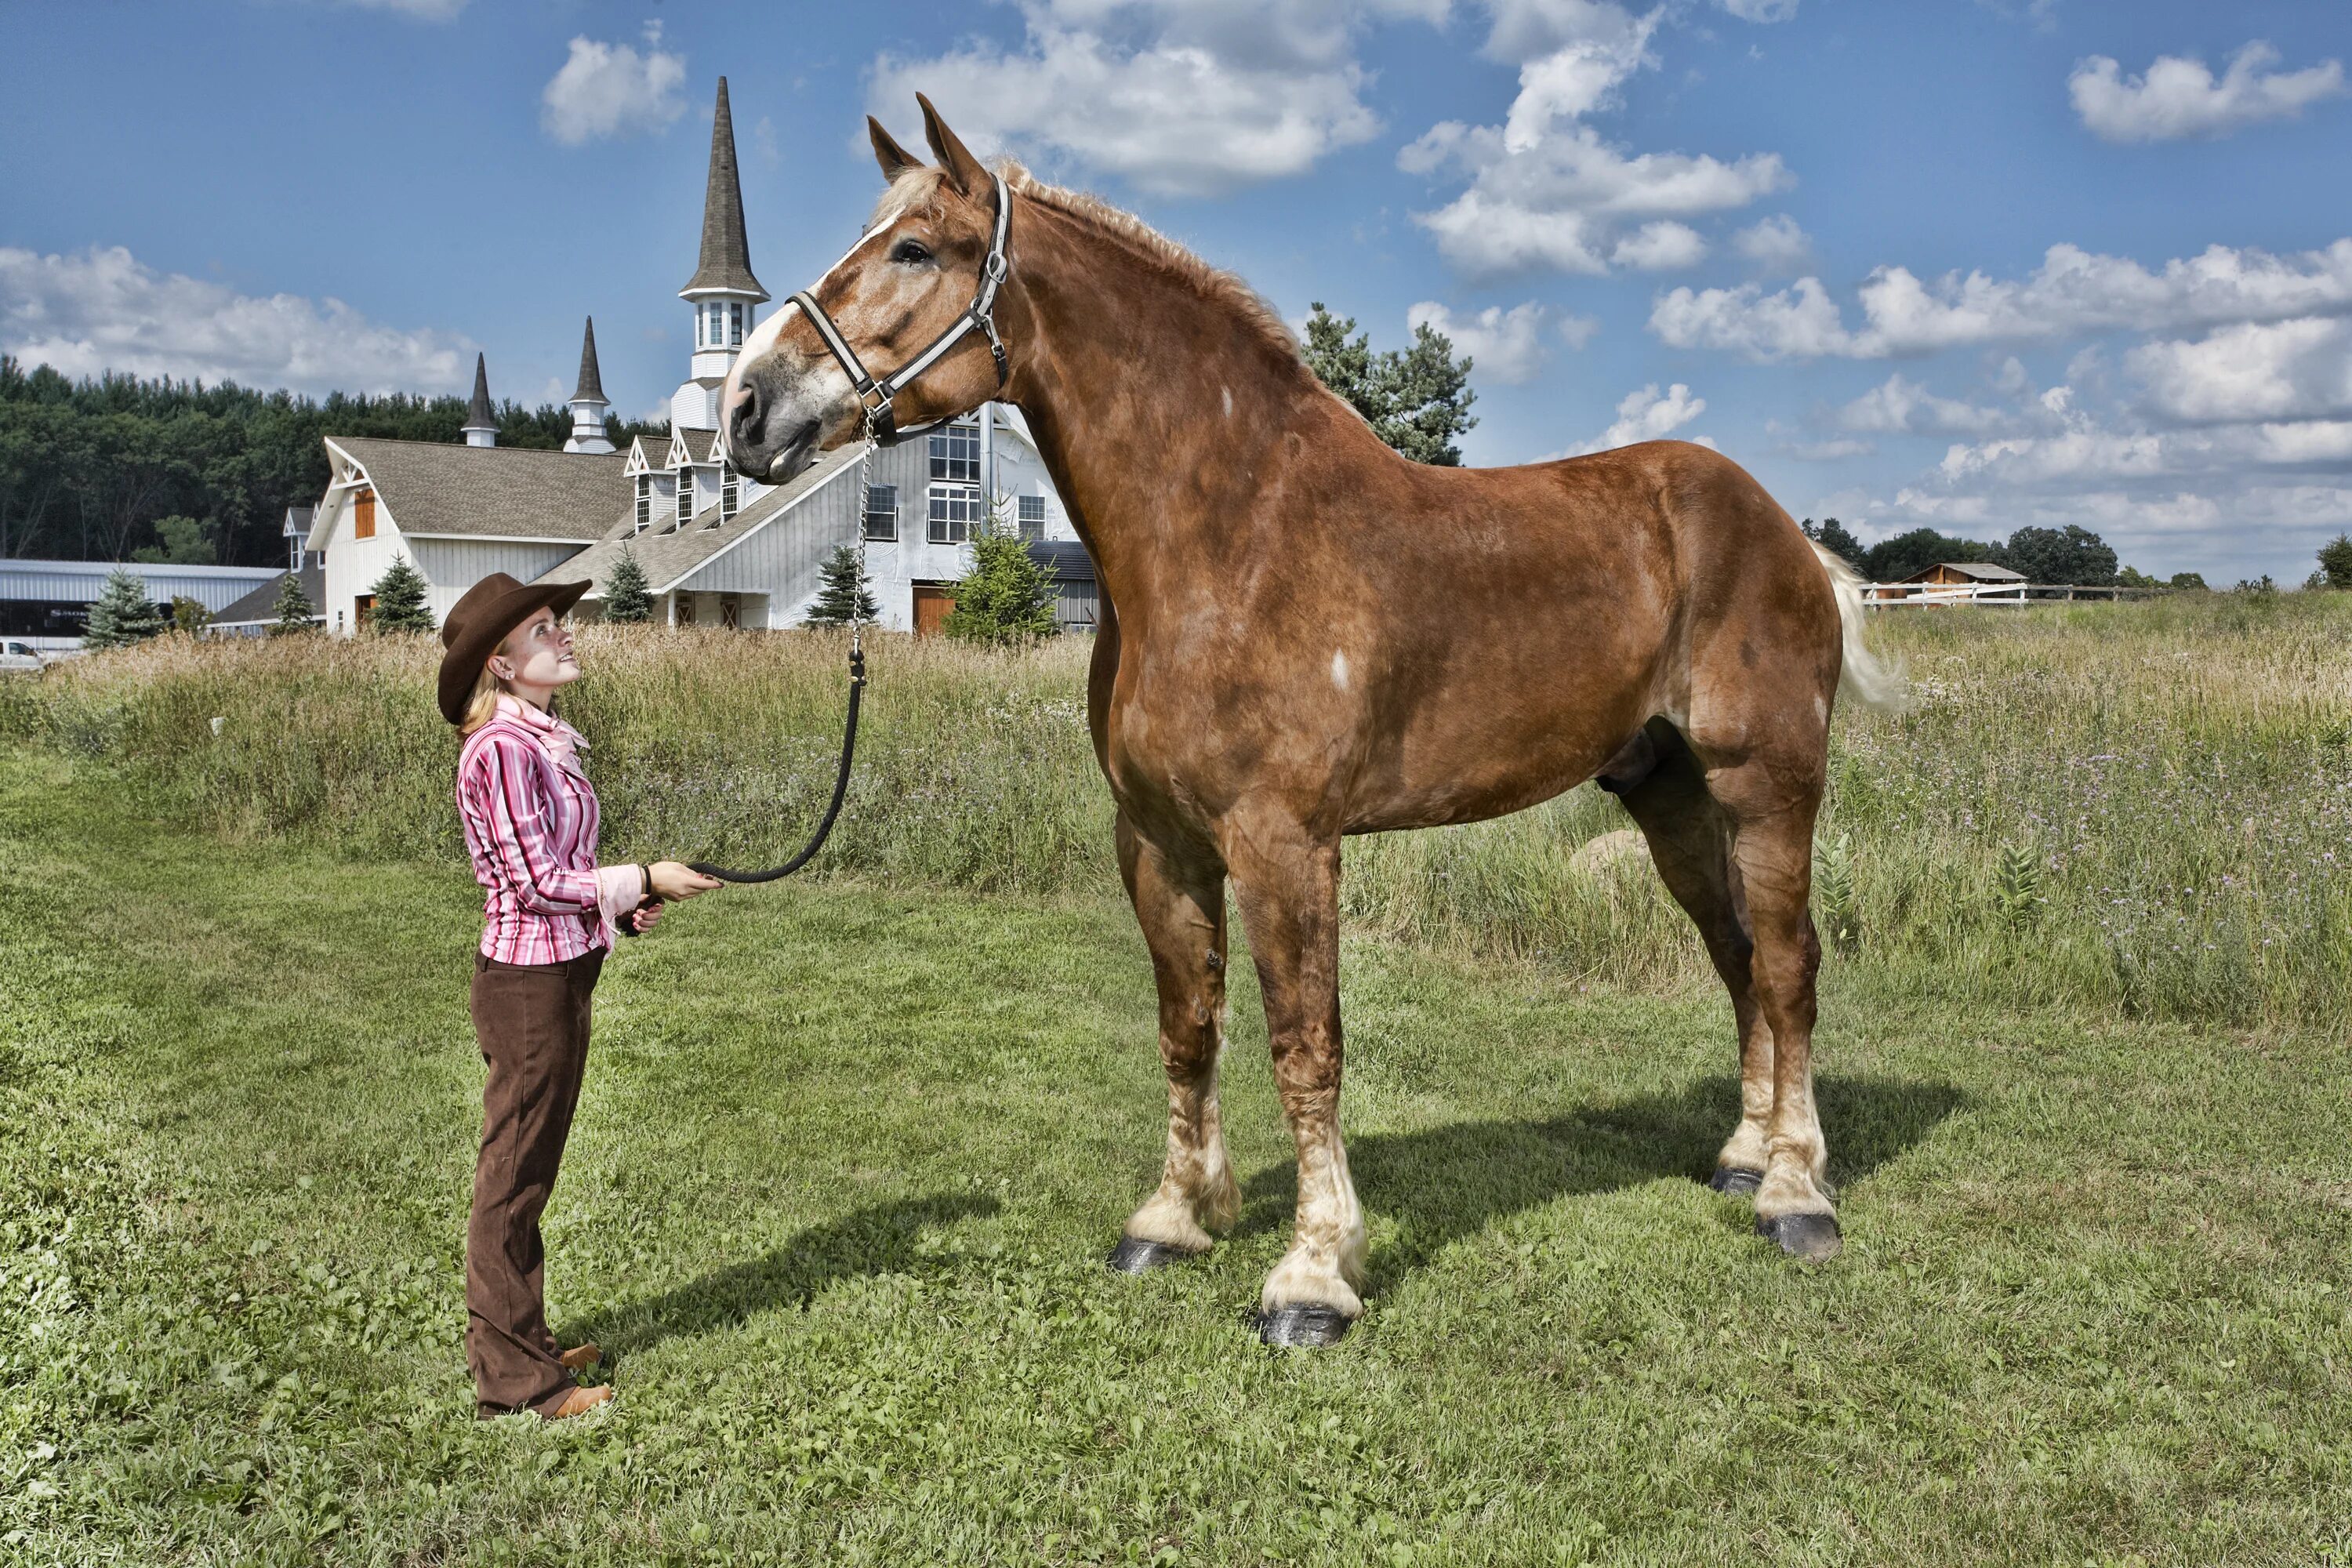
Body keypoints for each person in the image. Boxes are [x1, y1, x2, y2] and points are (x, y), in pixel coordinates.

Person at [436, 572, 722, 1420]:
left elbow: (560, 879)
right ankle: (514, 1382)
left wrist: (623, 906)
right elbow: (532, 883)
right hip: (527, 986)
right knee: (512, 1177)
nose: (564, 636)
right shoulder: (502, 750)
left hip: (558, 972)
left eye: (557, 623)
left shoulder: (543, 737)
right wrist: (639, 874)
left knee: (531, 1170)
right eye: (543, 629)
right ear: (501, 661)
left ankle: (522, 1339)